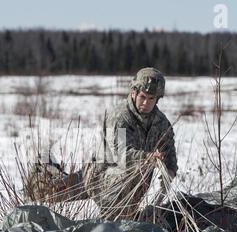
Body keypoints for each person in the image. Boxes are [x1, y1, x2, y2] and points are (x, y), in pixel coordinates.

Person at [25, 67, 178, 221]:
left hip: (131, 182)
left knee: (126, 219)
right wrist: (148, 157)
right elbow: (121, 154)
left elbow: (169, 151)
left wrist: (169, 170)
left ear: (158, 99)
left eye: (151, 99)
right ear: (134, 92)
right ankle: (42, 168)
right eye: (143, 97)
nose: (146, 103)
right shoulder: (120, 116)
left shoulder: (161, 123)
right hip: (101, 175)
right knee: (47, 192)